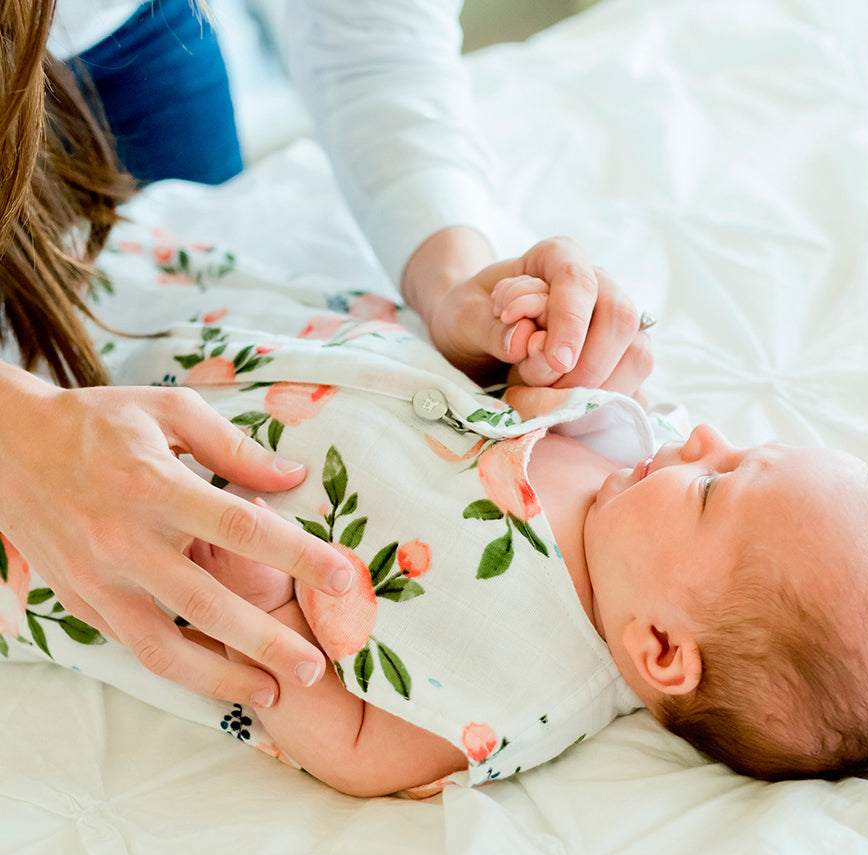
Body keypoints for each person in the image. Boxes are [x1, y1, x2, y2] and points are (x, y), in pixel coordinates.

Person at [12, 271, 868, 797]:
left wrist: (264, 605)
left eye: (713, 487)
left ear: (662, 649)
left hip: (121, 516)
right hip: (209, 350)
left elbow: (354, 748)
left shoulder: (518, 688)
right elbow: (526, 394)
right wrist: (539, 343)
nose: (703, 439)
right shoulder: (631, 462)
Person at [0, 0, 649, 712]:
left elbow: (367, 32)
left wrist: (455, 282)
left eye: (720, 482)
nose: (708, 442)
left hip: (133, 37)